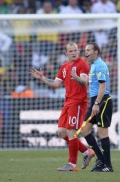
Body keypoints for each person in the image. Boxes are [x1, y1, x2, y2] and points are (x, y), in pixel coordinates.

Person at [30, 42, 95, 171]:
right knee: (61, 132)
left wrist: (76, 77)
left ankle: (72, 164)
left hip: (78, 102)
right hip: (68, 102)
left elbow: (83, 82)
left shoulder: (82, 64)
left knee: (71, 132)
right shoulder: (64, 67)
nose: (74, 53)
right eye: (71, 51)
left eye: (75, 50)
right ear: (66, 53)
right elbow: (56, 84)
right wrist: (42, 78)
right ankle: (87, 151)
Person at [81, 43, 113, 172]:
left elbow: (103, 86)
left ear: (96, 52)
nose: (86, 52)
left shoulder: (100, 65)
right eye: (85, 50)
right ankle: (100, 159)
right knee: (84, 129)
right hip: (95, 100)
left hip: (102, 100)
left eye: (88, 50)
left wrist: (97, 103)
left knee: (102, 132)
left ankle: (108, 165)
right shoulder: (93, 66)